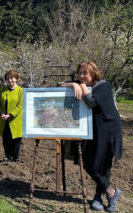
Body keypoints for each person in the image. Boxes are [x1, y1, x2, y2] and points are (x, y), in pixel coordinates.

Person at [61, 61, 122, 212]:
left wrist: (81, 87)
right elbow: (60, 83)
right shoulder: (82, 83)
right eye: (80, 73)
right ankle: (111, 192)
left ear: (93, 74)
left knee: (104, 164)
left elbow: (91, 102)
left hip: (108, 129)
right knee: (88, 162)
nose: (81, 76)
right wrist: (73, 85)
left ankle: (98, 197)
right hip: (93, 128)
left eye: (85, 73)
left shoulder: (103, 86)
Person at [0, 70, 23, 162]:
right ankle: (8, 157)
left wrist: (10, 115)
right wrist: (2, 113)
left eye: (12, 78)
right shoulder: (2, 91)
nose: (10, 80)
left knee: (16, 140)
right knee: (6, 139)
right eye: (8, 79)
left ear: (16, 79)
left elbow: (20, 105)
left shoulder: (20, 91)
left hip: (15, 120)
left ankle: (15, 159)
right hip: (4, 120)